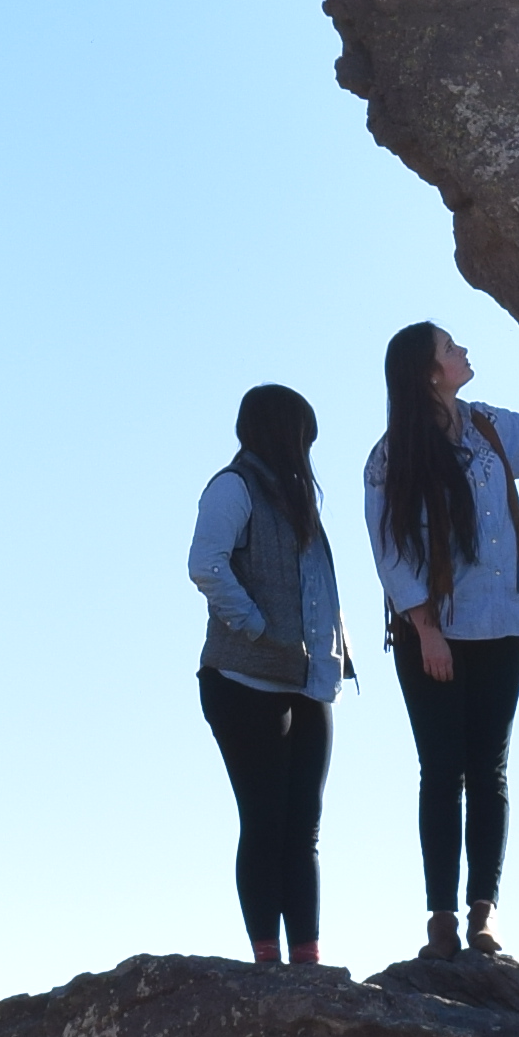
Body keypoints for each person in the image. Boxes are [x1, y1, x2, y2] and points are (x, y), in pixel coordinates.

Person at [365, 313, 519, 959]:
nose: (462, 350)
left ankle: (483, 914)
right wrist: (427, 630)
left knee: (489, 768)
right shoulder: (389, 458)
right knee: (442, 769)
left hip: (503, 622)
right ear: (429, 372)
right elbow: (390, 553)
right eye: (449, 347)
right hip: (431, 633)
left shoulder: (487, 427)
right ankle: (440, 917)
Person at [186, 383, 351, 964]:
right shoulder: (235, 487)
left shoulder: (296, 498)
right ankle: (266, 961)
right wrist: (256, 627)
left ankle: (305, 962)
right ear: (283, 431)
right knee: (264, 819)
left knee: (303, 827)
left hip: (310, 684)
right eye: (304, 435)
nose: (308, 449)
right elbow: (205, 563)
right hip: (243, 682)